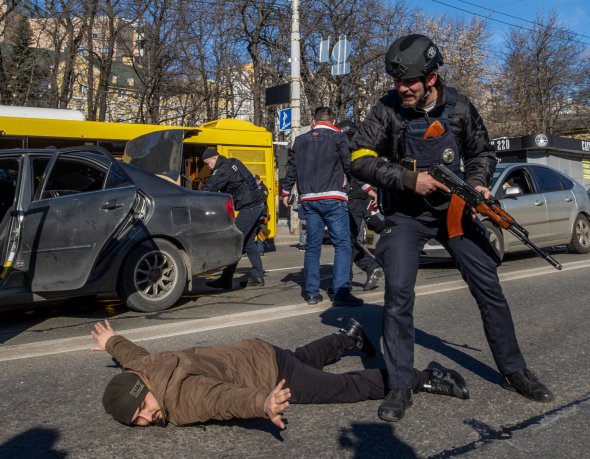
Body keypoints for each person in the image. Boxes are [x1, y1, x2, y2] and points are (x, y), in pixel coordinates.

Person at [349, 34, 553, 422]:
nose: (402, 89)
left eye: (409, 81)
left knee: (488, 286)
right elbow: (358, 158)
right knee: (398, 297)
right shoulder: (386, 110)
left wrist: (477, 182)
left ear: (432, 77)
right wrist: (410, 181)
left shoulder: (460, 107)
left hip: (455, 211)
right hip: (406, 216)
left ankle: (514, 371)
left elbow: (482, 151)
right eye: (397, 82)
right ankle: (398, 385)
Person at [92, 318, 469, 428]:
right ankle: (347, 337)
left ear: (144, 389)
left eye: (142, 408)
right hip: (254, 352)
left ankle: (422, 377)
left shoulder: (179, 399)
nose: (147, 417)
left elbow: (220, 399)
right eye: (137, 420)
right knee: (303, 358)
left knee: (339, 388)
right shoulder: (147, 369)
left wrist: (263, 402)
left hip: (267, 374)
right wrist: (112, 341)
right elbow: (132, 355)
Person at [282, 107, 362, 307]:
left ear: (313, 121)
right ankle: (341, 291)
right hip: (333, 197)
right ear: (333, 120)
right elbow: (348, 164)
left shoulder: (300, 140)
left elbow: (291, 168)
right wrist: (363, 187)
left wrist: (285, 192)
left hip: (309, 199)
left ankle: (311, 293)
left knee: (312, 247)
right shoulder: (338, 137)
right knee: (342, 245)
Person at [201, 148, 265, 288]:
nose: (208, 166)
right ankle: (257, 276)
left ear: (214, 158)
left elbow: (210, 187)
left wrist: (194, 196)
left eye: (207, 163)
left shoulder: (223, 169)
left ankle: (226, 278)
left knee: (235, 241)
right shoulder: (233, 162)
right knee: (248, 242)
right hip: (256, 205)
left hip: (250, 207)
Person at [337, 120, 384, 291]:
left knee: (346, 240)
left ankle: (344, 284)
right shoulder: (356, 148)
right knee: (346, 240)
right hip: (356, 196)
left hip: (355, 196)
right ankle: (371, 267)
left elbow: (355, 174)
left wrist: (369, 190)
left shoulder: (349, 149)